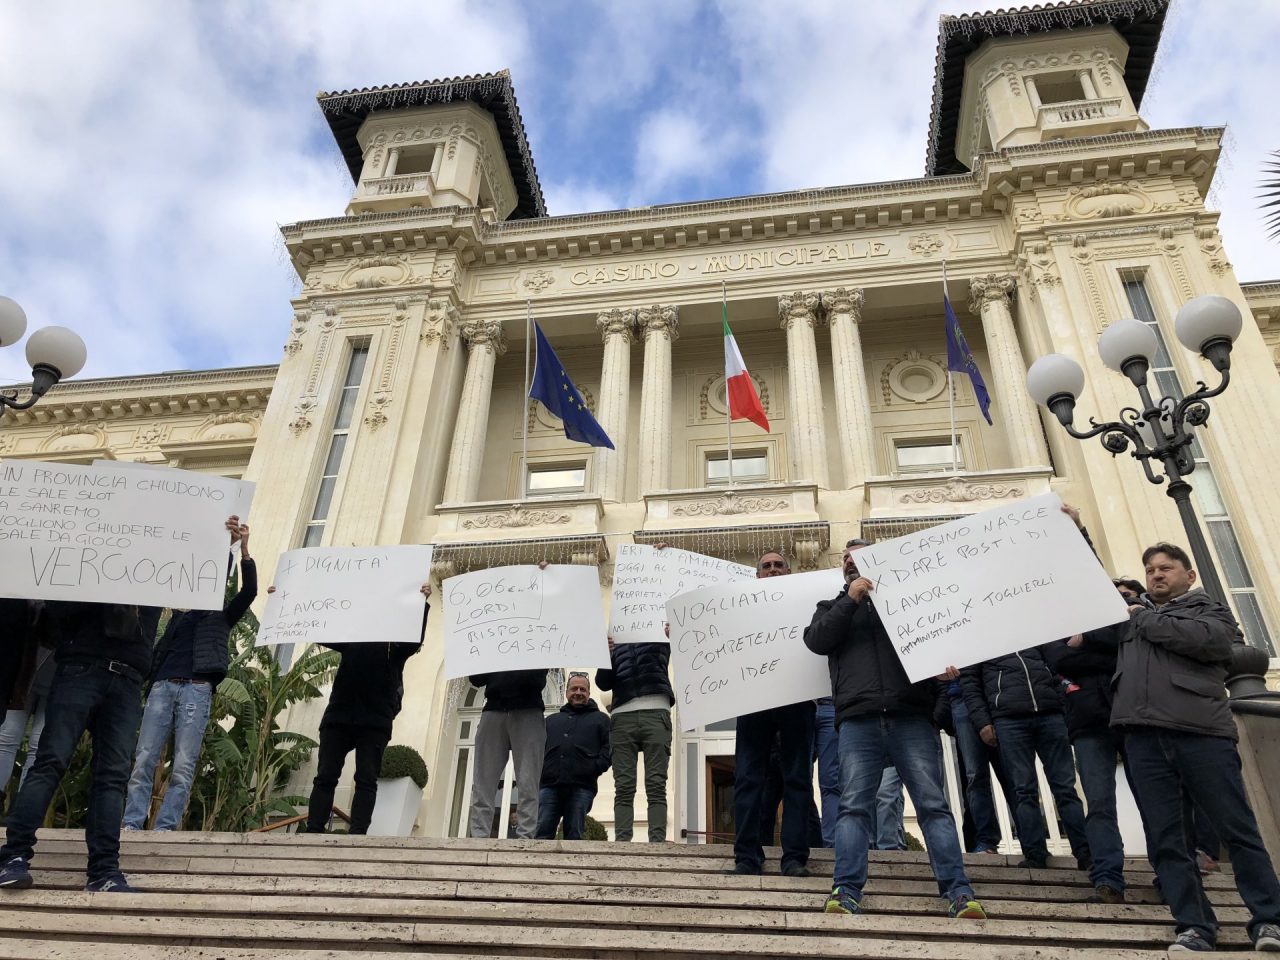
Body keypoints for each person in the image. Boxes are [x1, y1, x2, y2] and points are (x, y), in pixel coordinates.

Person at [1112, 542, 1280, 953]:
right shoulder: (1128, 617)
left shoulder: (1209, 610)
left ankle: (1269, 920)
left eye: (1165, 568)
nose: (1155, 575)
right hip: (1144, 739)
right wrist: (1075, 527)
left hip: (1201, 733)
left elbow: (1214, 643)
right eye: (1150, 569)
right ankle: (1194, 925)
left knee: (1236, 830)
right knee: (1168, 840)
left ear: (1189, 576)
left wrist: (1146, 620)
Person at [805, 538, 985, 919]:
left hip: (911, 716)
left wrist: (943, 670)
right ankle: (846, 889)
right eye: (846, 558)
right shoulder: (832, 607)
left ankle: (958, 891)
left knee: (933, 806)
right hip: (858, 720)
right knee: (853, 808)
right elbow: (817, 640)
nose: (851, 563)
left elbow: (941, 644)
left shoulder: (911, 601)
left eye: (860, 557)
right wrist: (850, 599)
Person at [0, 598, 162, 892]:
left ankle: (104, 871)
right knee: (51, 762)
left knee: (113, 777)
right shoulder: (88, 564)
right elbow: (58, 608)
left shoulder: (162, 561)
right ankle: (13, 856)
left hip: (128, 677)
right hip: (81, 664)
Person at [123, 518, 256, 831]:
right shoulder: (175, 617)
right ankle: (131, 821)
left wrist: (241, 548)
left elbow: (248, 591)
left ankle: (166, 826)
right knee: (144, 758)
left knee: (183, 764)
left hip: (196, 689)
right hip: (162, 687)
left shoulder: (221, 616)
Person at [303, 582, 431, 835]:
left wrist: (421, 604)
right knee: (326, 776)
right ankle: (314, 829)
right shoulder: (352, 637)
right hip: (339, 717)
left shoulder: (396, 647)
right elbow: (319, 627)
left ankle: (358, 833)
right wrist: (288, 600)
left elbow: (415, 639)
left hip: (374, 721)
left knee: (366, 779)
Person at [1043, 574, 1137, 904]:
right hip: (1088, 725)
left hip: (1132, 717)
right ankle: (1108, 875)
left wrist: (1086, 641)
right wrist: (1103, 647)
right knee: (1098, 802)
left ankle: (1169, 874)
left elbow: (1128, 649)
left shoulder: (1122, 609)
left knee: (1155, 802)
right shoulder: (1057, 619)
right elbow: (1059, 659)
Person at [959, 642, 1091, 871]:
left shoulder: (1030, 628)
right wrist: (983, 722)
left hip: (1049, 714)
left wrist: (1061, 703)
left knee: (1065, 788)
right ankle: (1035, 854)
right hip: (1009, 719)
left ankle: (1086, 852)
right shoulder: (977, 638)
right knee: (1023, 790)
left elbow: (1057, 662)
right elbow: (970, 683)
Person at [727, 551, 815, 878]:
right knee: (748, 779)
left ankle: (794, 857)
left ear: (788, 572)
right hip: (754, 699)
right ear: (758, 575)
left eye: (779, 565)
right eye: (767, 566)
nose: (773, 569)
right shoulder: (740, 608)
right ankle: (747, 856)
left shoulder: (809, 602)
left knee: (797, 780)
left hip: (797, 697)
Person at [595, 632, 674, 843]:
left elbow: (672, 651)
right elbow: (603, 683)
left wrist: (670, 633)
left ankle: (657, 841)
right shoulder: (614, 643)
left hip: (656, 710)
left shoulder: (658, 633)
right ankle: (622, 843)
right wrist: (605, 653)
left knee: (656, 783)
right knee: (623, 785)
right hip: (622, 715)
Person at [535, 672, 611, 840]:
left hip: (582, 787)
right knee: (542, 833)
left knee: (574, 836)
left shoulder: (601, 720)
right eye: (574, 688)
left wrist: (594, 767)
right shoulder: (551, 721)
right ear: (566, 692)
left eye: (582, 689)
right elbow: (538, 749)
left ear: (589, 693)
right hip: (549, 786)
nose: (578, 692)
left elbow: (609, 749)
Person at [0, 617, 54, 815]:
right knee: (7, 738)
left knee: (38, 747)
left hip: (63, 680)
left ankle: (23, 810)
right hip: (24, 676)